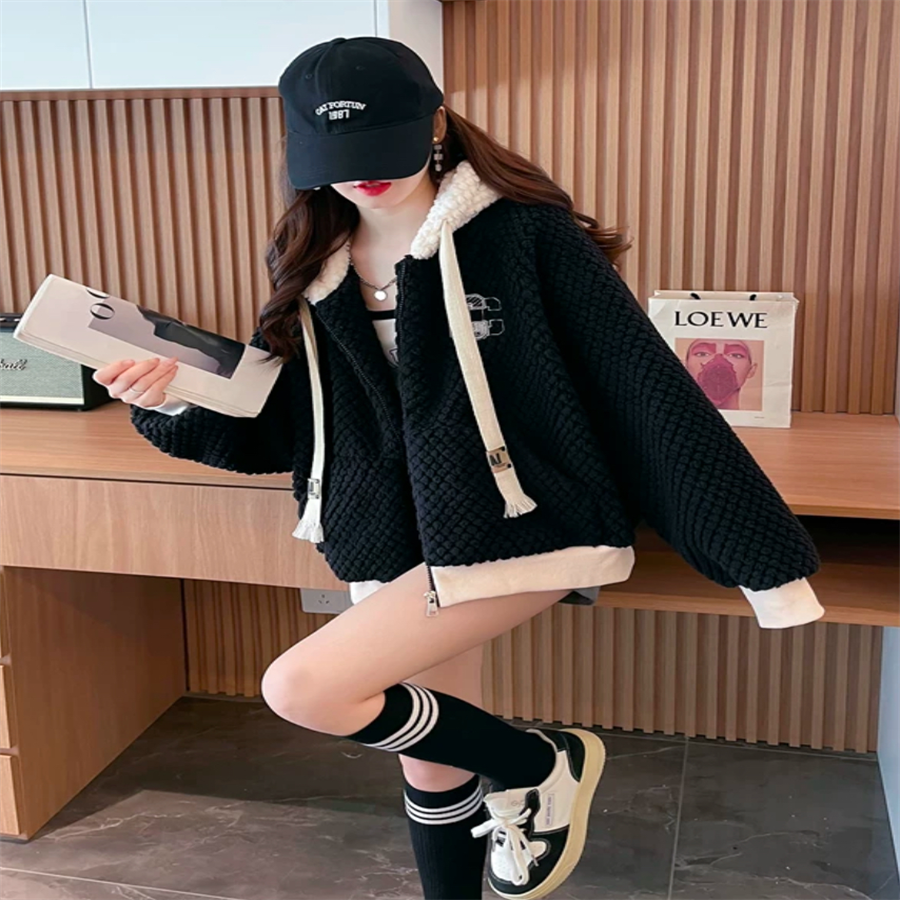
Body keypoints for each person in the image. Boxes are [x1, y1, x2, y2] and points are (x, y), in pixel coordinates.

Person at [93, 36, 825, 900]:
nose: (365, 176)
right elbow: (289, 429)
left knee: (303, 688)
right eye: (339, 159)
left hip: (527, 523)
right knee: (432, 758)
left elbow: (640, 387)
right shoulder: (313, 262)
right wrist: (174, 397)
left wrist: (761, 560)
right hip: (396, 534)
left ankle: (540, 763)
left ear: (437, 123)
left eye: (384, 148)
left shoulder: (521, 234)